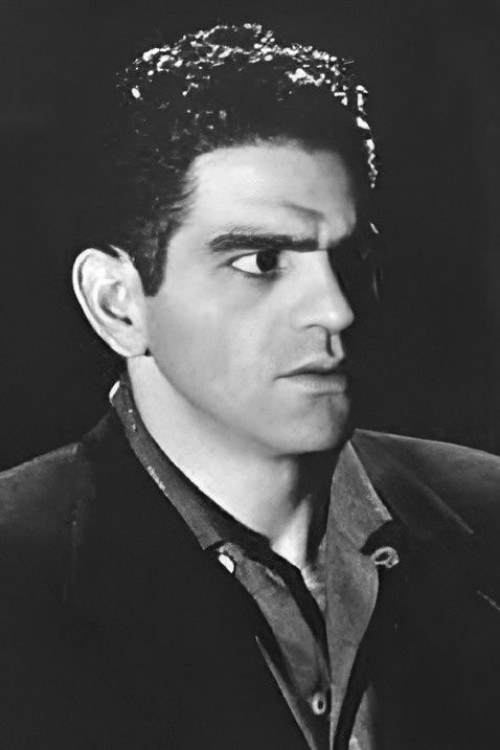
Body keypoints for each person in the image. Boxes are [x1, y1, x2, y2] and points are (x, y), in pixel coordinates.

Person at [0, 23, 499, 750]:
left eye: (351, 258)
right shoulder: (16, 581)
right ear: (118, 304)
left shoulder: (488, 512)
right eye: (261, 261)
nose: (337, 309)